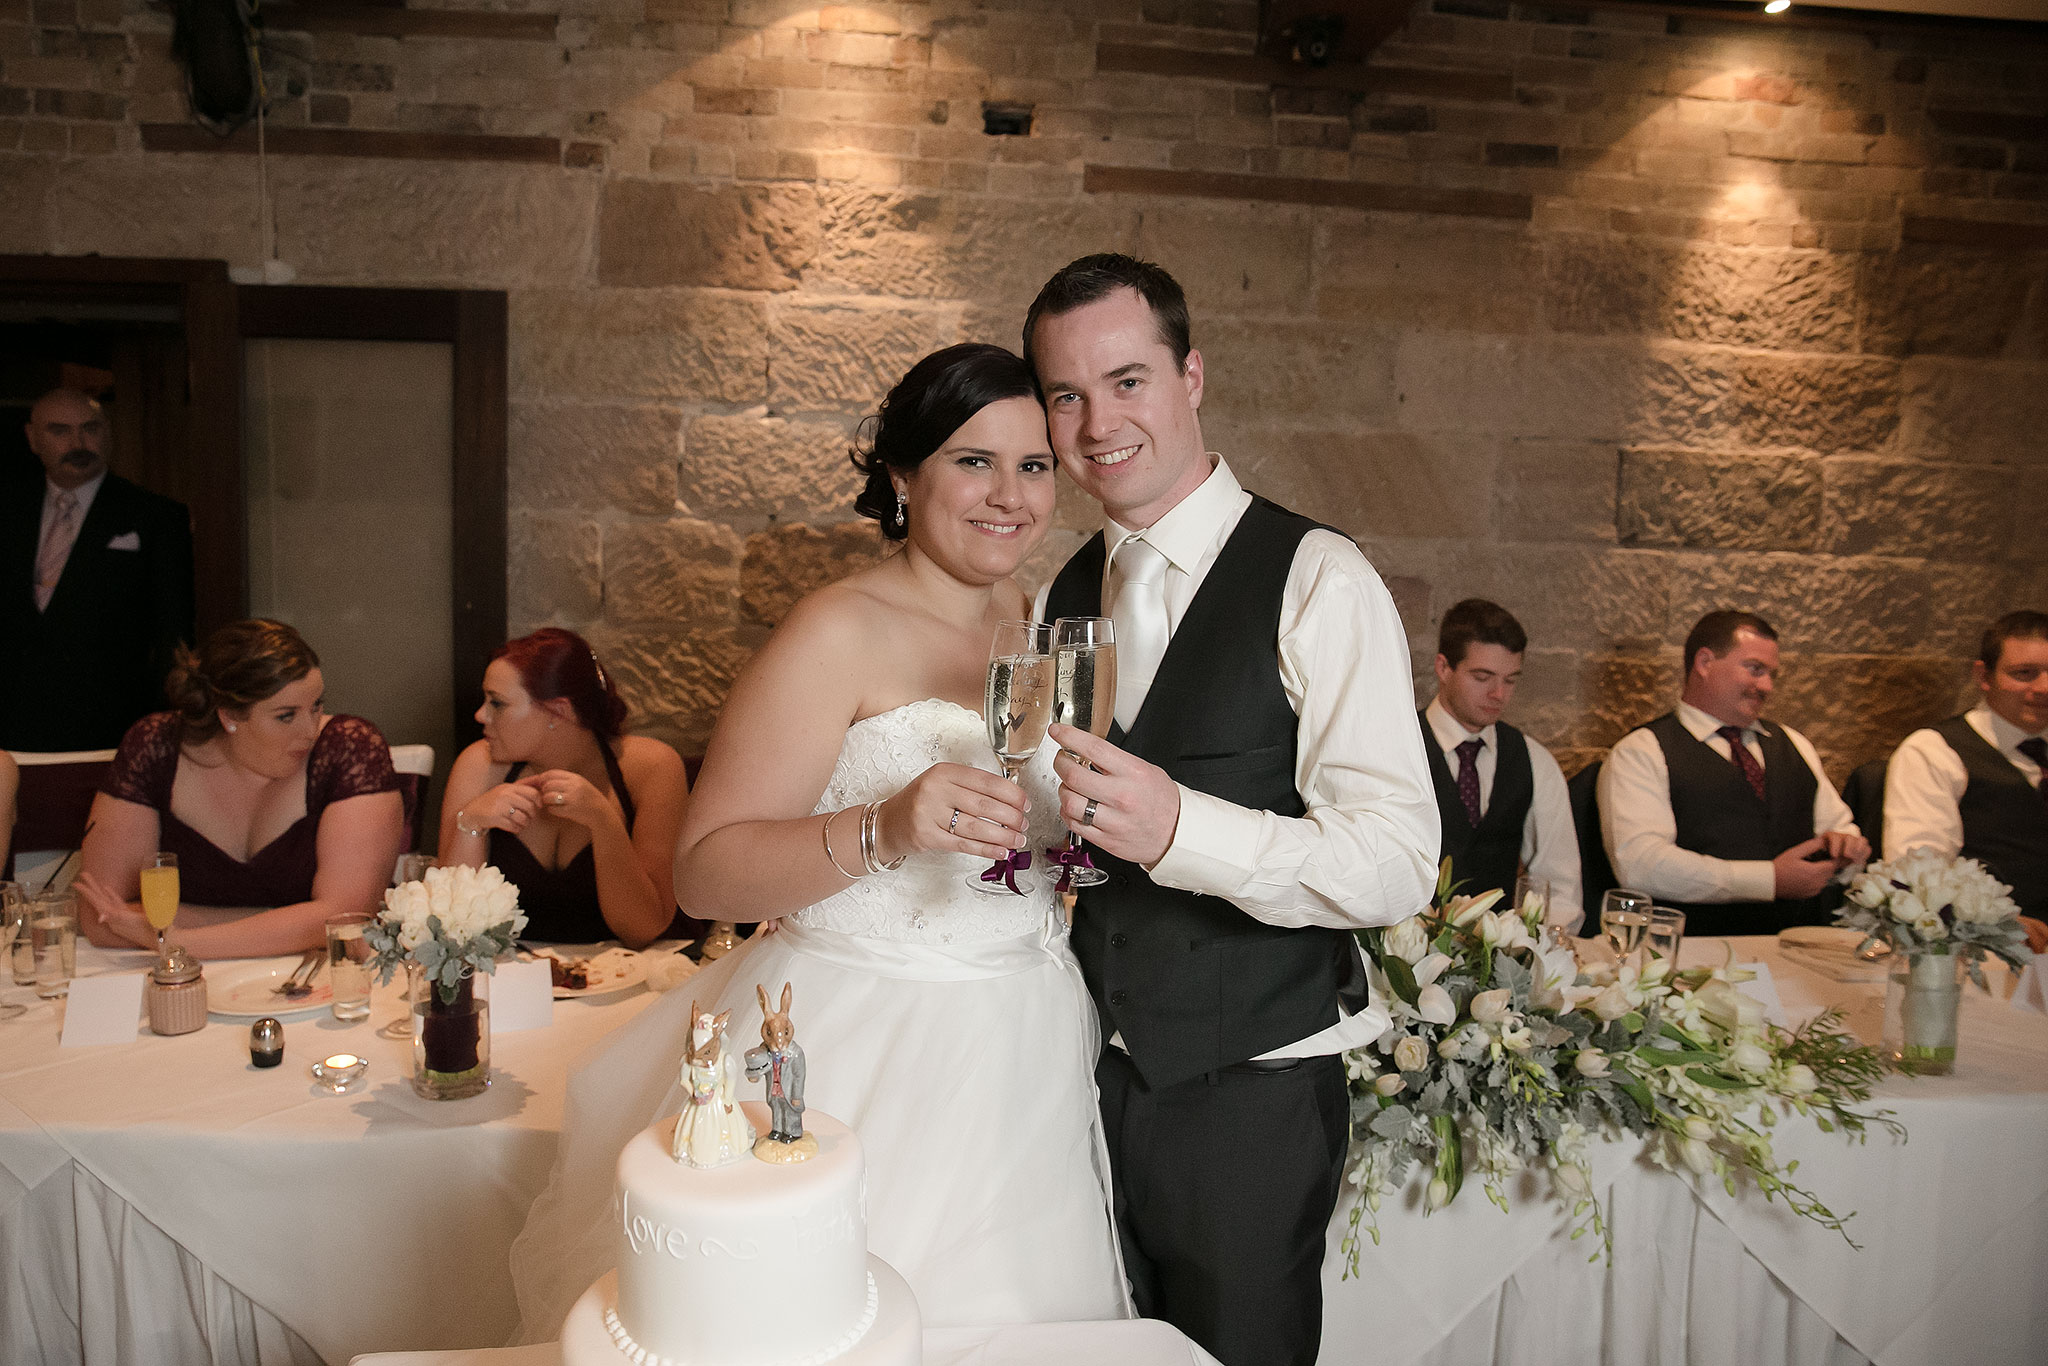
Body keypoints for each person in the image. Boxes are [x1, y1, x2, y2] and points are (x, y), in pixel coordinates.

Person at [508, 343, 1125, 1340]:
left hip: (1023, 1037)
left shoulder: (1034, 619)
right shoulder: (837, 629)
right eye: (973, 461)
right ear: (903, 476)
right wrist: (886, 827)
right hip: (865, 1041)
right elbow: (703, 874)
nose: (1009, 495)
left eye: (1033, 465)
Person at [1026, 254, 1438, 1366]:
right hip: (1084, 1086)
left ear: (1191, 376)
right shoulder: (1061, 592)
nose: (1096, 424)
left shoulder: (1318, 577)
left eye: (1126, 381)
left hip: (1252, 1099)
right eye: (1065, 395)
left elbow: (1398, 861)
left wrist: (1182, 832)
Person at [71, 619, 405, 958]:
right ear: (229, 715)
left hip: (313, 978)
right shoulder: (155, 748)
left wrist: (174, 940)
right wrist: (295, 921)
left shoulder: (349, 749)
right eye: (286, 715)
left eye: (316, 705)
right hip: (181, 978)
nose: (310, 730)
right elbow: (101, 919)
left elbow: (345, 920)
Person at [1599, 610, 1868, 938]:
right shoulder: (1642, 751)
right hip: (1696, 952)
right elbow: (1640, 865)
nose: (1767, 686)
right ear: (1705, 662)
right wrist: (1769, 880)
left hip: (1798, 949)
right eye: (1755, 669)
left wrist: (1847, 849)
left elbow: (1838, 828)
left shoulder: (1794, 743)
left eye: (1772, 674)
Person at [439, 629, 688, 947]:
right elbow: (450, 931)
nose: (480, 715)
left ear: (558, 711)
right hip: (506, 971)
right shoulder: (478, 764)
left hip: (622, 973)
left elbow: (642, 929)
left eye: (497, 703)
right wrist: (471, 823)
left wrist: (603, 821)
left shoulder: (652, 766)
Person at [0, 388, 195, 752]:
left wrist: (166, 720)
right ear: (33, 438)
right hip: (13, 718)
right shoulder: (9, 509)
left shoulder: (153, 515)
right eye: (60, 431)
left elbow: (174, 627)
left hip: (111, 719)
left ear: (108, 432)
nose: (78, 443)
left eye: (90, 429)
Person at [1885, 610, 2048, 953]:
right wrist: (1995, 922)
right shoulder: (1934, 750)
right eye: (2024, 674)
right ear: (1983, 676)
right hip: (1987, 954)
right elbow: (1918, 875)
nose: (2044, 688)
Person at [1421, 598, 1583, 932]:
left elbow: (1560, 886)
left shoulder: (1534, 760)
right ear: (1443, 668)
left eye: (1510, 680)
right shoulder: (1396, 747)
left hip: (1498, 955)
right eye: (1482, 677)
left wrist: (1531, 948)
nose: (1499, 694)